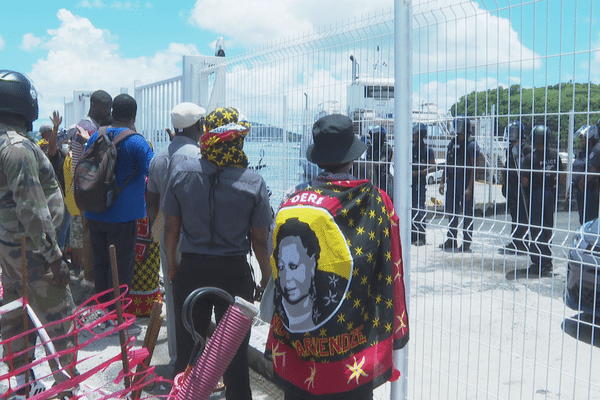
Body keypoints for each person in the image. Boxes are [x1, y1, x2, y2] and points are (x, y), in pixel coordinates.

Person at [267, 114, 409, 399]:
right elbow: (389, 269)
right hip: (352, 361)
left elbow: (275, 273)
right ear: (352, 156)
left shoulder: (289, 205)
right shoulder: (377, 201)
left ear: (317, 158)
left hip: (300, 354)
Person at [163, 107, 271, 399]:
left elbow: (171, 228)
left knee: (188, 353)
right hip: (234, 275)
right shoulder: (253, 182)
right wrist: (266, 276)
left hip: (191, 271)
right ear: (238, 140)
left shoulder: (182, 172)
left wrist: (173, 266)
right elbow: (260, 241)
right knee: (234, 358)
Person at [0, 70, 77, 398]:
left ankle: (22, 384)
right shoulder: (18, 149)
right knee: (60, 322)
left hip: (9, 248)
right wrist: (54, 258)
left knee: (17, 316)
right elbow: (33, 209)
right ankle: (65, 389)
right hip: (32, 251)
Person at [84, 94, 154, 326]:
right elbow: (153, 174)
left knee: (101, 262)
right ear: (134, 115)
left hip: (95, 210)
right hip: (123, 216)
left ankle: (103, 313)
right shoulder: (137, 142)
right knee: (122, 267)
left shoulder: (97, 134)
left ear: (112, 111)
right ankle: (118, 316)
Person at [146, 101, 205, 366]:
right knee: (198, 296)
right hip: (195, 233)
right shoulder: (200, 155)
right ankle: (197, 360)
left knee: (171, 294)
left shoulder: (159, 157)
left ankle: (176, 359)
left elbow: (152, 201)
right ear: (200, 126)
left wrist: (155, 233)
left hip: (166, 230)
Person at [74, 90, 113, 287]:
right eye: (107, 109)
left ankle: (86, 271)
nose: (109, 113)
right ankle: (89, 276)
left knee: (87, 230)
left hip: (81, 187)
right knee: (90, 232)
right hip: (88, 187)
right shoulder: (89, 128)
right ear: (96, 107)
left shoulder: (84, 125)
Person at [521, 125, 565, 276]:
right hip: (550, 193)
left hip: (536, 193)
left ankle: (538, 262)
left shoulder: (530, 158)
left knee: (535, 228)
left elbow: (525, 181)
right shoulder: (554, 154)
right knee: (547, 227)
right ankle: (548, 260)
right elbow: (560, 177)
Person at [439, 116, 480, 252]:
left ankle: (466, 242)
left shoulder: (471, 144)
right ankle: (451, 239)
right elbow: (447, 162)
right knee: (451, 211)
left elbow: (474, 168)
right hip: (451, 180)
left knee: (467, 212)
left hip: (464, 180)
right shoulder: (452, 143)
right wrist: (442, 181)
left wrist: (469, 187)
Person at [500, 120, 530, 254]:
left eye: (514, 132)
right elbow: (506, 168)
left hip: (522, 187)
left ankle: (523, 241)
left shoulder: (525, 149)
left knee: (522, 214)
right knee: (514, 214)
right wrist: (505, 183)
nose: (511, 135)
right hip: (512, 185)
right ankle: (515, 240)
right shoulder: (510, 149)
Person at [411, 123, 435, 245]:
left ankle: (421, 237)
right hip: (410, 183)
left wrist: (420, 172)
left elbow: (433, 167)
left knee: (420, 209)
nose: (413, 135)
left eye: (415, 133)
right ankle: (412, 235)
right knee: (411, 209)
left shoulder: (428, 150)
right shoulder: (411, 148)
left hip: (420, 182)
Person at [355, 124, 394, 195]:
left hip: (383, 179)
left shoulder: (387, 148)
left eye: (375, 135)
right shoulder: (370, 148)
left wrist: (366, 163)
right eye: (372, 135)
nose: (374, 138)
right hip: (371, 177)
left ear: (381, 136)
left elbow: (381, 163)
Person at [574, 124, 600, 224]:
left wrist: (582, 183)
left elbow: (591, 170)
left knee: (589, 220)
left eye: (583, 138)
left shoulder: (596, 150)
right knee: (583, 220)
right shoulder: (583, 152)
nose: (581, 140)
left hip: (589, 190)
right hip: (581, 190)